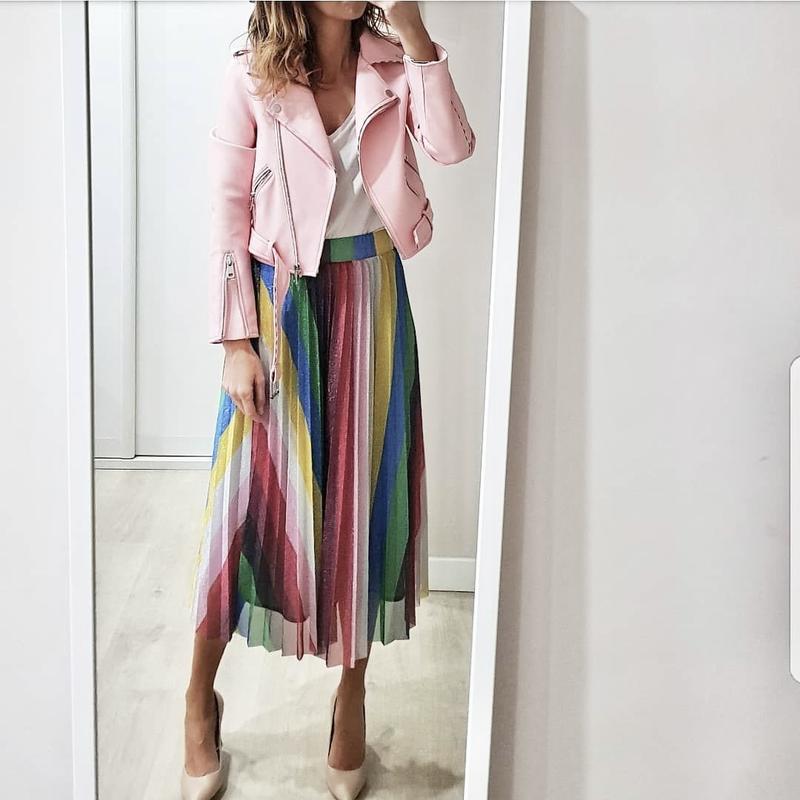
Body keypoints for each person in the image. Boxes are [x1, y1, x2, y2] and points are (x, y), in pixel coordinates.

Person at [182, 2, 475, 798]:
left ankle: (352, 697)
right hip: (280, 300)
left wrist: (416, 35)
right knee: (243, 509)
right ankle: (198, 697)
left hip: (374, 295)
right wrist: (235, 343)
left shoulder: (393, 61)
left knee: (363, 504)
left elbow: (452, 146)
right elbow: (227, 213)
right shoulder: (252, 74)